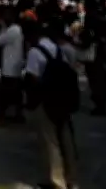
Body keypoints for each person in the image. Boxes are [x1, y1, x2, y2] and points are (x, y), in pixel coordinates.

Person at [25, 17, 79, 189]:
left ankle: (57, 181)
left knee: (50, 142)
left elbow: (33, 77)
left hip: (45, 99)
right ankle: (71, 178)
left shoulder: (34, 52)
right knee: (65, 138)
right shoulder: (56, 48)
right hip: (62, 97)